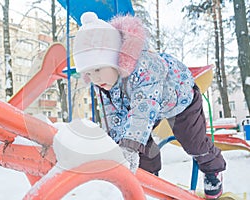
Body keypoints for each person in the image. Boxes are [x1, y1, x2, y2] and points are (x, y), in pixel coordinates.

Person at [73, 12, 226, 199]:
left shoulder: (145, 68)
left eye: (97, 69)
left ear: (115, 59)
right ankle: (149, 174)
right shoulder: (104, 83)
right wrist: (117, 145)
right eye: (89, 72)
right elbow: (115, 118)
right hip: (150, 105)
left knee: (193, 142)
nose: (95, 78)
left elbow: (142, 113)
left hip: (181, 99)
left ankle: (213, 171)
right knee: (135, 140)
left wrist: (129, 147)